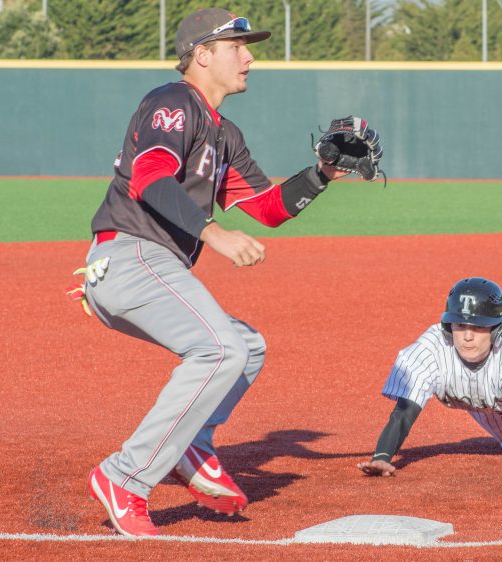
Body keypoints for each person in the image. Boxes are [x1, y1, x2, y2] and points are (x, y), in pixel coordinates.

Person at [78, 8, 376, 537]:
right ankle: (125, 476)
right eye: (237, 46)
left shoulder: (224, 133)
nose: (250, 56)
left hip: (149, 263)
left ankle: (192, 441)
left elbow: (267, 208)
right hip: (132, 255)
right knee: (222, 350)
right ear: (202, 55)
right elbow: (149, 178)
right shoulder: (171, 102)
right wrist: (212, 234)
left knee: (247, 345)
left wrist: (324, 172)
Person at [357, 277, 502, 478]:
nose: (466, 336)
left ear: (497, 330)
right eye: (460, 325)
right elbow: (404, 411)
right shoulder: (431, 349)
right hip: (489, 404)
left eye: (477, 327)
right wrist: (382, 457)